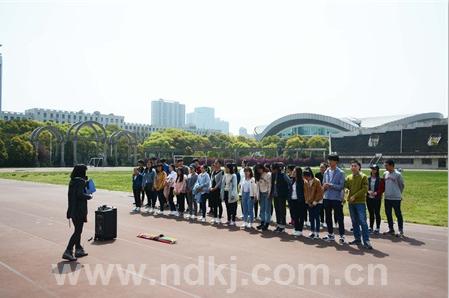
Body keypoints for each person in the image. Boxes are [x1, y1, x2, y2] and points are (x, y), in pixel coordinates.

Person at [63, 164, 92, 261]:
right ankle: (68, 250)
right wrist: (89, 196)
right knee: (78, 231)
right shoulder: (80, 182)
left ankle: (78, 249)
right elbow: (80, 195)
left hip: (72, 209)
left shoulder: (73, 181)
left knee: (78, 230)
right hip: (79, 210)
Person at [344, 160, 372, 249]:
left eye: (355, 166)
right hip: (351, 203)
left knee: (363, 222)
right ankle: (357, 239)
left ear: (359, 167)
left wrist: (354, 196)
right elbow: (345, 187)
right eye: (351, 166)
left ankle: (366, 241)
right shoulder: (348, 177)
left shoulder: (363, 177)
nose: (353, 167)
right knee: (354, 222)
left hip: (360, 203)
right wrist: (345, 193)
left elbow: (365, 189)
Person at [322, 154, 346, 243]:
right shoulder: (326, 172)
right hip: (327, 197)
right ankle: (330, 234)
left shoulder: (341, 172)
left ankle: (342, 236)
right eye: (329, 160)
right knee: (328, 217)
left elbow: (341, 186)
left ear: (336, 161)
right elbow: (323, 183)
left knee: (339, 217)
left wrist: (331, 185)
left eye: (331, 160)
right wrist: (324, 186)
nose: (329, 162)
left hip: (336, 198)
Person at [383, 159, 405, 237]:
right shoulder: (385, 173)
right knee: (388, 213)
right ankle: (391, 229)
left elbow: (402, 185)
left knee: (398, 213)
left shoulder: (398, 174)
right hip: (387, 198)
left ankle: (400, 230)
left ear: (391, 165)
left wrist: (398, 194)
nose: (385, 167)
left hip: (396, 198)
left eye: (386, 165)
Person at [270, 162, 292, 233]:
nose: (271, 170)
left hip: (282, 195)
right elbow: (272, 184)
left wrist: (286, 192)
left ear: (276, 169)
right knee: (277, 210)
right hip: (275, 195)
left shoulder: (283, 175)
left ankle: (282, 226)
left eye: (272, 169)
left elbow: (290, 183)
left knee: (282, 210)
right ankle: (278, 225)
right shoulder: (273, 175)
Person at [304, 167, 324, 239]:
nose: (306, 179)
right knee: (311, 217)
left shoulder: (317, 181)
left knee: (316, 217)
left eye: (306, 177)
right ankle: (312, 231)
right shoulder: (306, 182)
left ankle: (317, 233)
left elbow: (320, 193)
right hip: (310, 202)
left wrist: (314, 202)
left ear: (310, 176)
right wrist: (308, 202)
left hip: (318, 202)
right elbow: (306, 193)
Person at [367, 164, 385, 234]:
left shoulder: (380, 179)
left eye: (374, 169)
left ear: (377, 170)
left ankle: (377, 228)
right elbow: (365, 187)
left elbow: (382, 189)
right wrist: (368, 191)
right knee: (371, 213)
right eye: (372, 169)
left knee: (377, 213)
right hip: (369, 198)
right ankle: (371, 227)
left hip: (377, 198)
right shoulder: (368, 178)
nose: (373, 170)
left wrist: (376, 193)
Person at [289, 166, 306, 236]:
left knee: (300, 215)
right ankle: (296, 229)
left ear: (298, 173)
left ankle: (300, 230)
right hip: (292, 200)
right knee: (294, 215)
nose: (293, 172)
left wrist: (302, 199)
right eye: (293, 171)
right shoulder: (292, 180)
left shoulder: (302, 181)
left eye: (295, 171)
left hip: (300, 201)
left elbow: (304, 191)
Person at [255, 164, 272, 231]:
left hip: (267, 193)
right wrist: (257, 195)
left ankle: (267, 223)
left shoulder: (268, 174)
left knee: (267, 210)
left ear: (263, 168)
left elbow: (270, 184)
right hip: (261, 193)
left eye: (260, 169)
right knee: (262, 208)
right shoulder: (258, 175)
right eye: (257, 169)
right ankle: (262, 222)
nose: (259, 170)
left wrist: (269, 193)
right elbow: (257, 186)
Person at [315, 162, 328, 228]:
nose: (321, 168)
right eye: (320, 167)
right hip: (319, 194)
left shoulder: (328, 174)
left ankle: (326, 221)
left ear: (326, 168)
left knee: (327, 208)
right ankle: (321, 221)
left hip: (327, 193)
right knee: (320, 208)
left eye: (322, 167)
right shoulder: (317, 175)